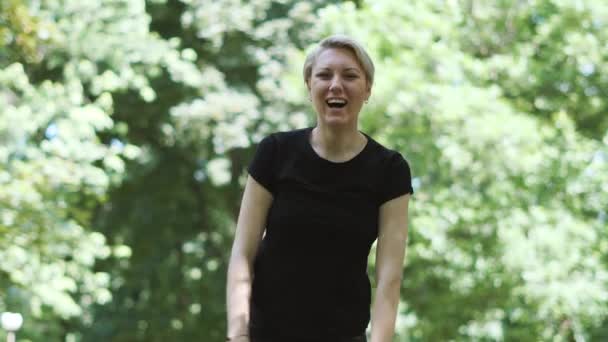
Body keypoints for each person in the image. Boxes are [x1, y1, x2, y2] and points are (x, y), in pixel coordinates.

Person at [226, 35, 413, 342]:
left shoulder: (389, 170)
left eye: (350, 76)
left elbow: (389, 279)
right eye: (324, 75)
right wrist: (238, 335)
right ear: (309, 85)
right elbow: (242, 254)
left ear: (367, 89)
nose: (335, 85)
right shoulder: (275, 153)